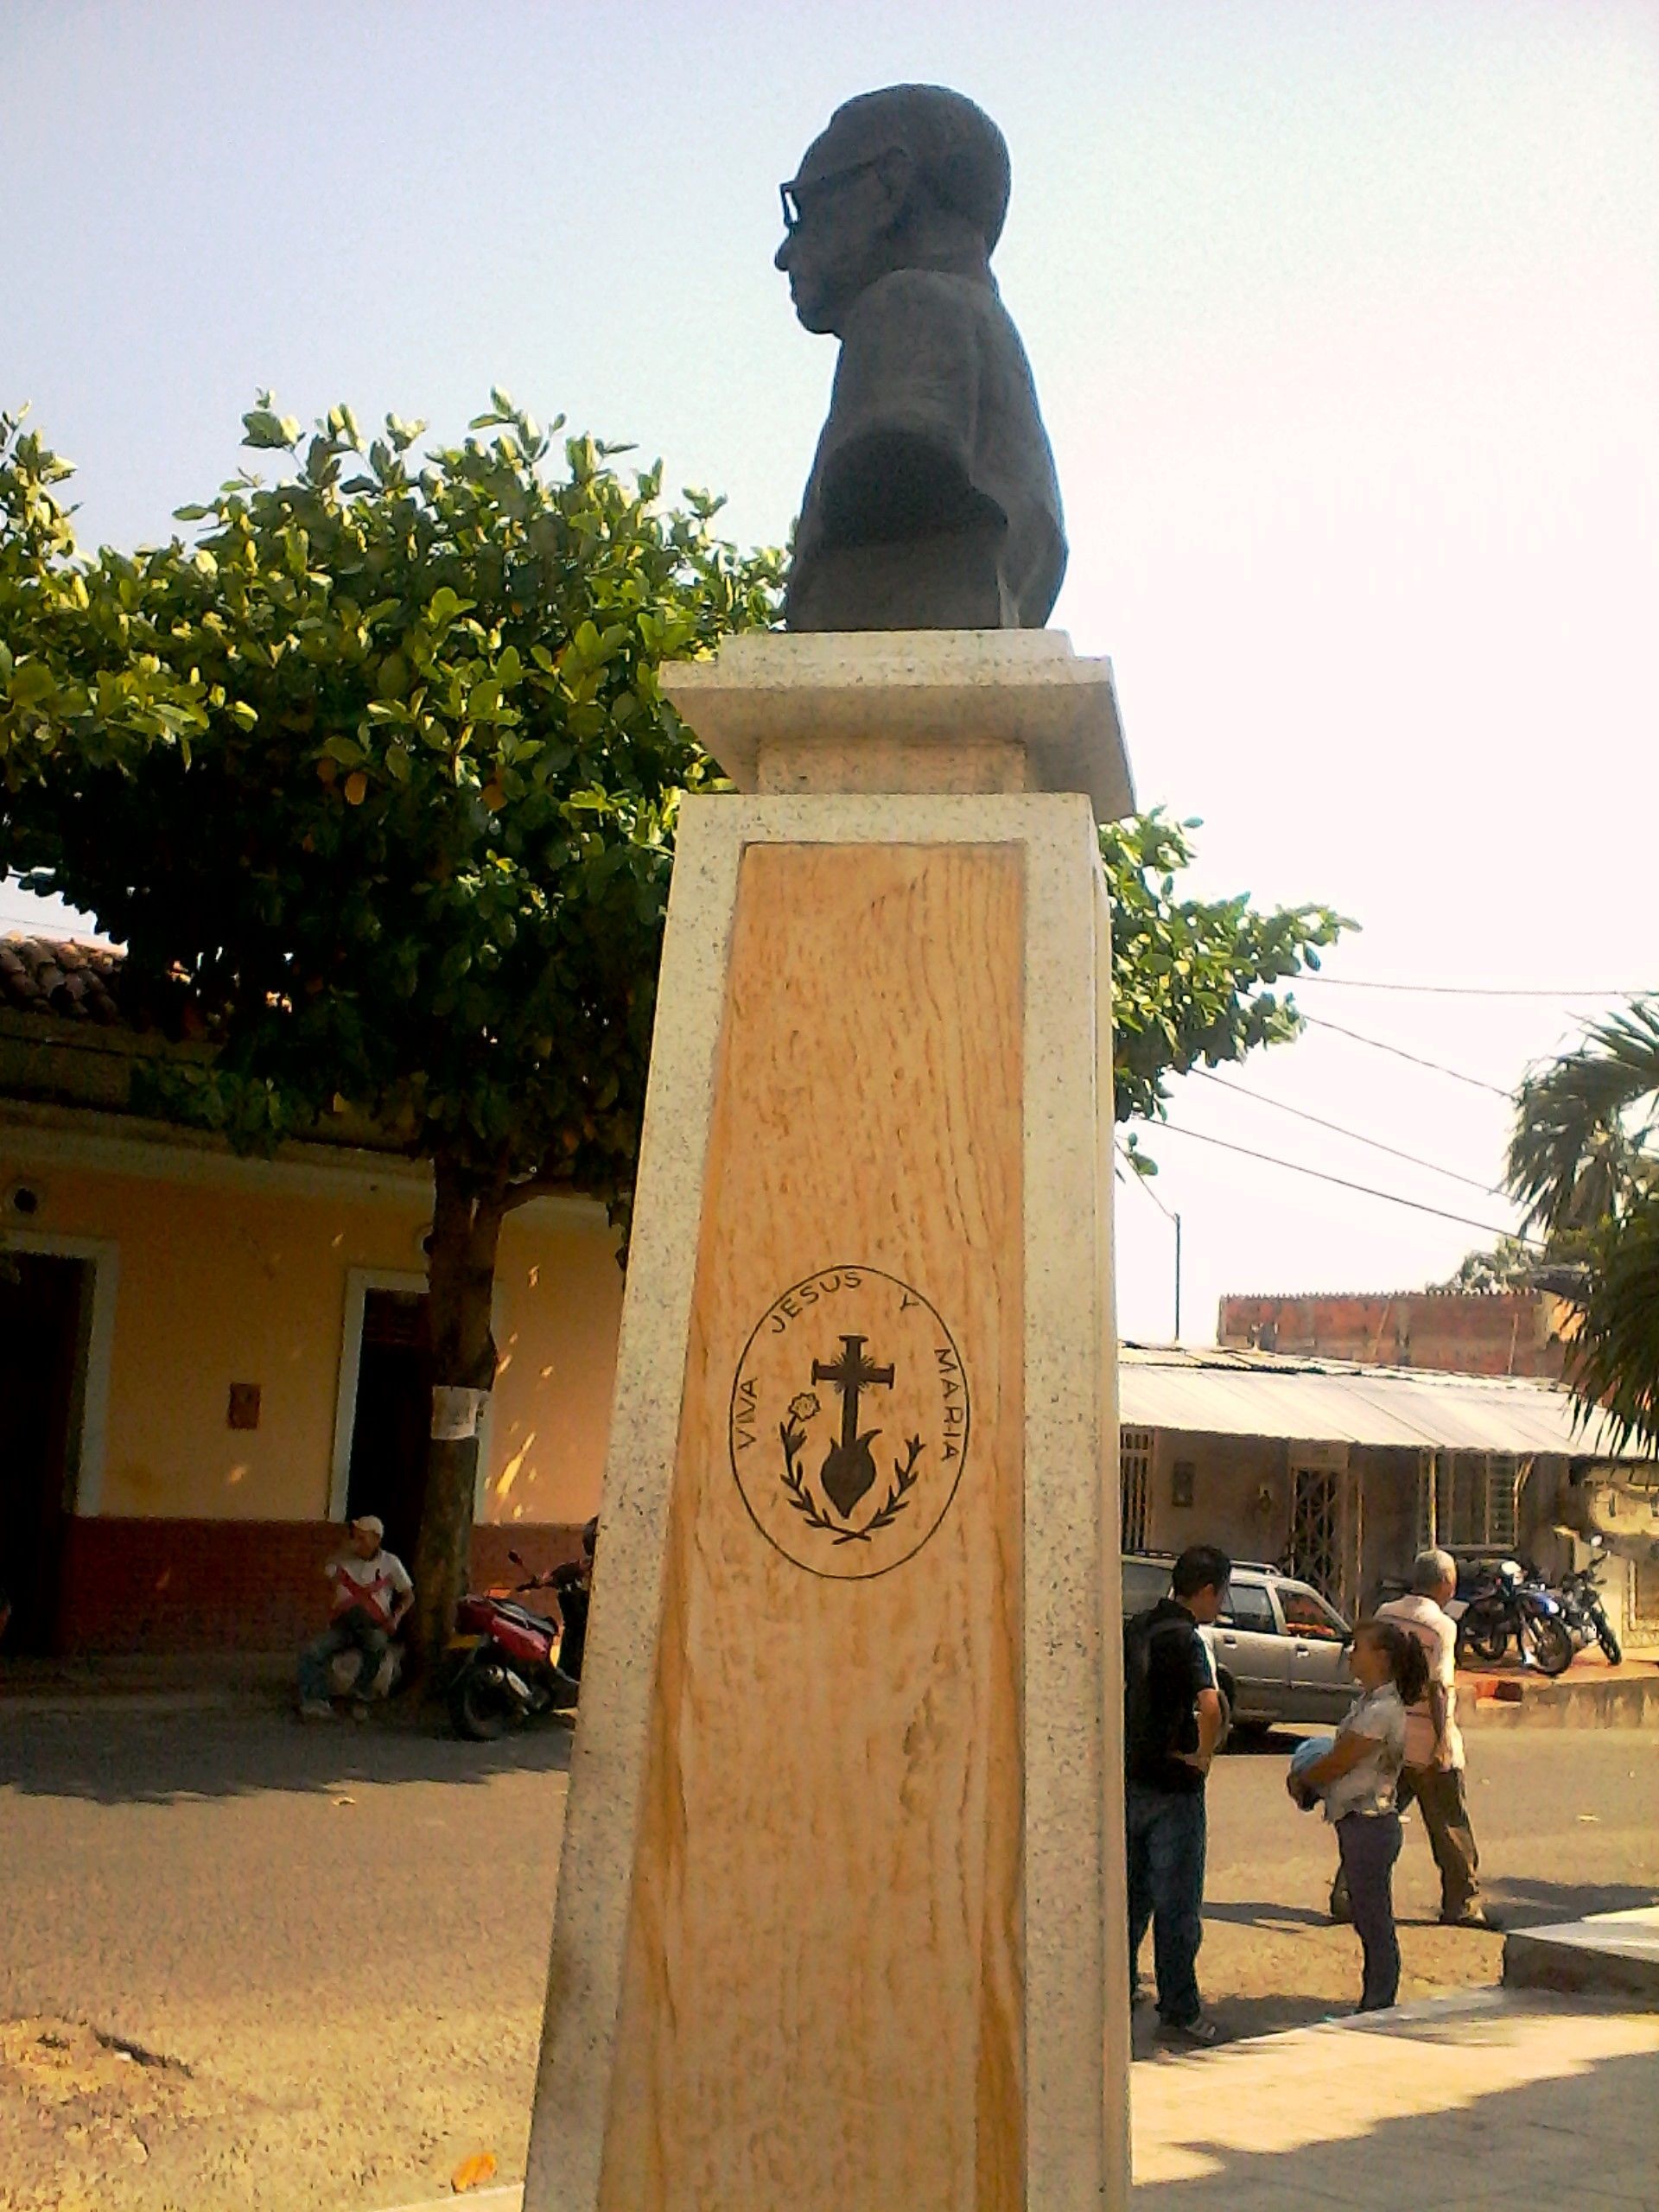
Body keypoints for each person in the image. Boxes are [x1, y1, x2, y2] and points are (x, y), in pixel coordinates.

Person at [775, 83, 1066, 631]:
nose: (784, 252)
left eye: (803, 209)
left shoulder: (907, 308)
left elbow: (892, 471)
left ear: (889, 186)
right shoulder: (987, 334)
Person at [1332, 1548, 1487, 1929]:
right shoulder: (1441, 1628)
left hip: (1385, 1737)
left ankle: (1347, 1895)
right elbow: (1439, 1686)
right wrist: (1442, 1742)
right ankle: (1462, 1904)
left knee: (1371, 1818)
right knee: (1449, 1825)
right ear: (1445, 1584)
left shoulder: (1386, 1616)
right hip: (1423, 1738)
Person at [1290, 1618, 1429, 2012]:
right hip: (1358, 1822)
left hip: (1371, 1823)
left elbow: (1340, 1761)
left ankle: (1379, 2001)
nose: (1352, 1654)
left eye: (1360, 1648)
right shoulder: (1369, 1703)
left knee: (1374, 1920)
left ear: (1381, 1657)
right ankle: (1376, 1997)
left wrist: (1303, 1780)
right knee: (1368, 1916)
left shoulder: (1382, 1710)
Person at [1124, 1543, 1231, 2047]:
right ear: (1207, 1591)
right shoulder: (1189, 1640)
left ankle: (1118, 1987)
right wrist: (1203, 1757)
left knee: (1130, 1898)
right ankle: (1180, 2007)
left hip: (1129, 1777)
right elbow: (1209, 1705)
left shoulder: (1138, 1627)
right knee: (1177, 1904)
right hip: (1174, 1783)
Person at [297, 1515, 413, 1720]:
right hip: (344, 1625)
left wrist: (396, 1618)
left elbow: (408, 1594)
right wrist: (341, 1552)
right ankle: (316, 1700)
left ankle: (361, 1697)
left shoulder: (390, 1563)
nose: (357, 1542)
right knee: (312, 1651)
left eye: (363, 1538)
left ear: (376, 1539)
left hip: (372, 1625)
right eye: (355, 1537)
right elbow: (325, 1571)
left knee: (375, 1645)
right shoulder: (343, 1559)